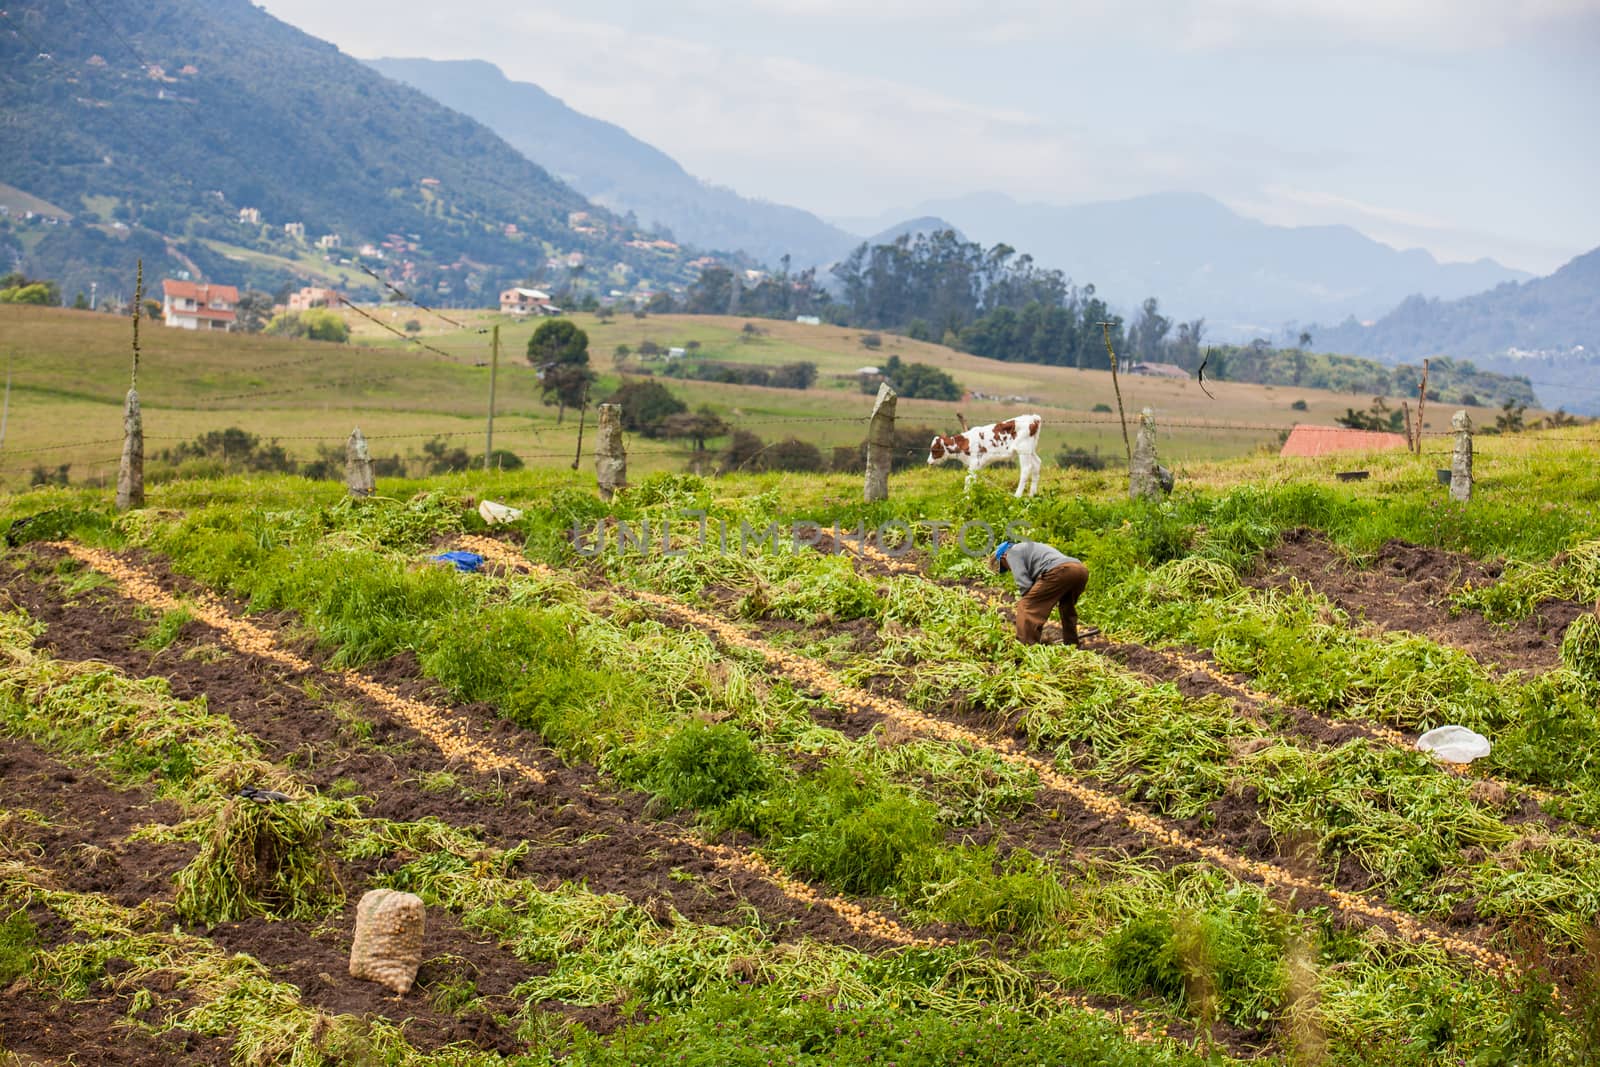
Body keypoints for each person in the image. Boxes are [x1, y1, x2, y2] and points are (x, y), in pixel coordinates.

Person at [992, 539, 1092, 645]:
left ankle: (1025, 648)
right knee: (1067, 608)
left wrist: (1032, 604)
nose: (1009, 569)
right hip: (1080, 570)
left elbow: (1025, 585)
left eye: (1005, 566)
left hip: (1061, 570)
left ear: (1003, 557)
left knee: (1027, 606)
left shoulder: (1012, 553)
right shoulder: (1028, 548)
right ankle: (1072, 644)